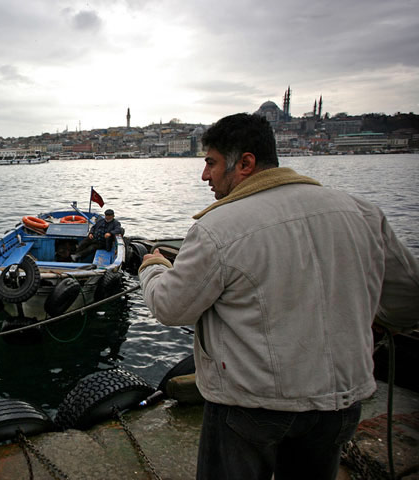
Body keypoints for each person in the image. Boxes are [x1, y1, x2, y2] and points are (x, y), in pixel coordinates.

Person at [139, 113, 419, 480]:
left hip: (251, 407)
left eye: (211, 162)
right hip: (339, 404)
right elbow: (409, 298)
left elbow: (169, 306)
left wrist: (153, 268)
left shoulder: (218, 227)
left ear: (246, 163)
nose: (204, 176)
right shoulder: (362, 212)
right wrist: (376, 326)